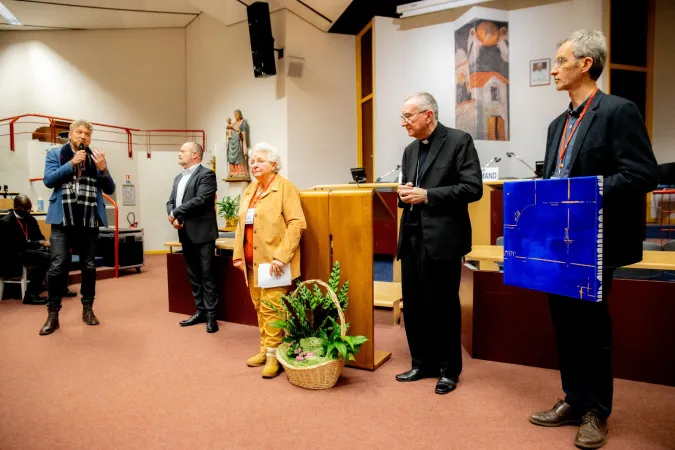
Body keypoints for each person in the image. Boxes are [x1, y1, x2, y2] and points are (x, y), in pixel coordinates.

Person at [529, 30, 658, 449]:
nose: (553, 69)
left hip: (596, 240)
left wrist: (591, 188)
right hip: (558, 242)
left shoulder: (619, 111)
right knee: (563, 326)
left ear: (586, 64)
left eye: (560, 61)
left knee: (592, 329)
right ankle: (573, 398)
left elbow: (643, 174)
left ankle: (596, 412)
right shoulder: (556, 125)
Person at [395, 92, 483, 395]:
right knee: (415, 303)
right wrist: (403, 193)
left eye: (408, 116)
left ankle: (448, 370)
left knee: (443, 305)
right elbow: (409, 189)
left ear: (428, 115)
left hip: (444, 237)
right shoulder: (409, 150)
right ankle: (422, 363)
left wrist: (428, 196)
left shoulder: (459, 141)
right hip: (412, 236)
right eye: (403, 116)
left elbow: (472, 188)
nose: (403, 122)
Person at [232, 143, 306, 378]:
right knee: (260, 308)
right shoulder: (250, 190)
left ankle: (275, 357)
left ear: (274, 164)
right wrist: (238, 255)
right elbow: (240, 224)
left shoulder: (285, 188)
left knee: (273, 309)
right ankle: (265, 349)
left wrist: (281, 257)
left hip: (275, 263)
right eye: (252, 161)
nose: (254, 164)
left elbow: (297, 224)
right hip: (253, 262)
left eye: (260, 160)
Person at [41, 120, 116, 336]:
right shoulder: (55, 154)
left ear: (90, 139)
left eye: (87, 134)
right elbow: (49, 180)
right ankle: (53, 314)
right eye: (79, 132)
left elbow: (109, 188)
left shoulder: (95, 158)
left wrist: (103, 170)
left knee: (89, 267)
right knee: (57, 267)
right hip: (62, 220)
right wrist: (72, 163)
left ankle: (88, 309)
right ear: (71, 134)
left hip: (88, 220)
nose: (83, 137)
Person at [167, 142, 219, 333]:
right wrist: (173, 217)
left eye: (183, 151)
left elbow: (201, 199)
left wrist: (174, 213)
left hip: (203, 232)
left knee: (207, 273)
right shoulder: (178, 177)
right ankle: (201, 311)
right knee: (193, 275)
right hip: (184, 231)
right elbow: (170, 201)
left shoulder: (207, 174)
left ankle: (212, 317)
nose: (179, 153)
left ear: (195, 154)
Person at [0, 195, 49, 305]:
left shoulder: (30, 219)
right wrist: (38, 243)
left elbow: (39, 237)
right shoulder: (6, 222)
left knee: (56, 253)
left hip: (27, 251)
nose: (28, 211)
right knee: (44, 258)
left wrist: (44, 243)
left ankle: (58, 289)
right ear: (15, 206)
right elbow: (15, 246)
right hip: (12, 256)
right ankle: (30, 295)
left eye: (29, 208)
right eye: (25, 208)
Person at [226, 110, 249, 178]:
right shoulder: (234, 123)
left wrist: (241, 133)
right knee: (231, 156)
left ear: (240, 114)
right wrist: (227, 130)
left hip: (238, 142)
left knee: (239, 156)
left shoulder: (243, 122)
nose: (235, 116)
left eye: (236, 114)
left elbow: (244, 132)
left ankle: (241, 171)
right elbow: (229, 132)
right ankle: (233, 171)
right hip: (231, 142)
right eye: (234, 115)